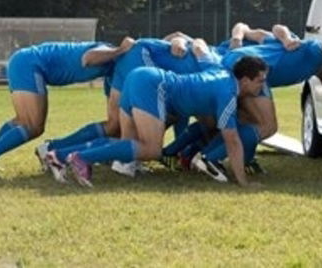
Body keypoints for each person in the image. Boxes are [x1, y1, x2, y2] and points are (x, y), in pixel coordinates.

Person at [184, 24, 322, 181]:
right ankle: (208, 158)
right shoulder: (312, 52)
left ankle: (206, 155)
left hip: (238, 62)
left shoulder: (291, 46)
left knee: (246, 122)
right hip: (250, 68)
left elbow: (270, 30)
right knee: (268, 126)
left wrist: (284, 37)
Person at [48, 55, 267, 188]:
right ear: (245, 80)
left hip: (138, 76)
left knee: (127, 143)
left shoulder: (220, 71)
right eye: (260, 81)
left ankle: (59, 156)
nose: (262, 87)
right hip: (153, 84)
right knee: (150, 149)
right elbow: (233, 141)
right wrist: (243, 182)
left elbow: (201, 55)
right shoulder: (228, 92)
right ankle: (81, 158)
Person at [38, 36, 219, 179]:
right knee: (147, 139)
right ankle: (67, 154)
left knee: (116, 128)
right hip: (140, 61)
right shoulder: (219, 65)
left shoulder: (211, 56)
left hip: (132, 59)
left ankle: (57, 151)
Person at [0, 37, 134, 179]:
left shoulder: (114, 72)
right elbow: (87, 59)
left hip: (25, 61)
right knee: (33, 125)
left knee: (21, 120)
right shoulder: (108, 51)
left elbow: (114, 120)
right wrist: (121, 50)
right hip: (30, 64)